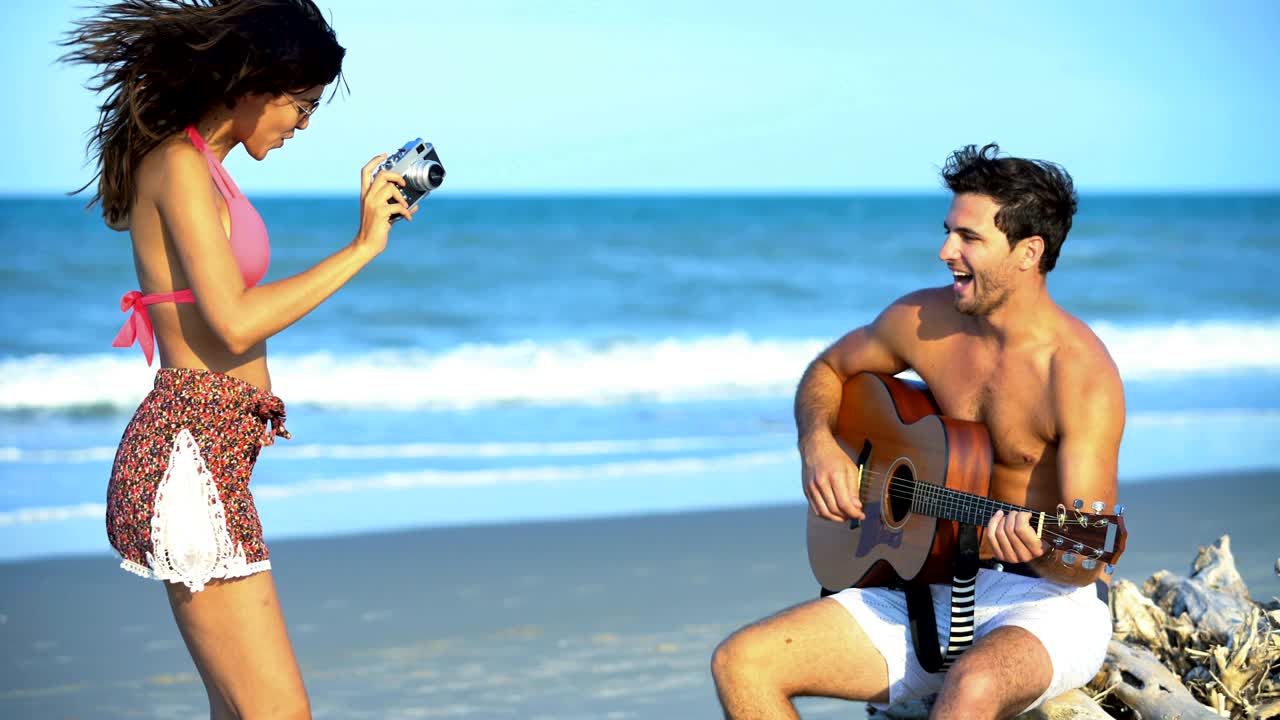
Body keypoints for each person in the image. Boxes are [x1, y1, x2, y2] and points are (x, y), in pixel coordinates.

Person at [61, 1, 417, 716]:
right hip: (189, 453)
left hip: (209, 451)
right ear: (254, 85)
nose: (303, 124)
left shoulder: (203, 168)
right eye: (301, 104)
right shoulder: (179, 165)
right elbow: (232, 323)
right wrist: (362, 247)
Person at [712, 144, 1125, 720]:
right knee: (742, 662)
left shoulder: (1079, 375)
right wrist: (818, 446)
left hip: (1042, 600)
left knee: (974, 684)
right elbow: (827, 370)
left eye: (969, 237)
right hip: (923, 585)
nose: (945, 251)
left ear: (1029, 252)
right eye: (948, 232)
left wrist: (1044, 553)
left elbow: (1087, 557)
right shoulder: (923, 321)